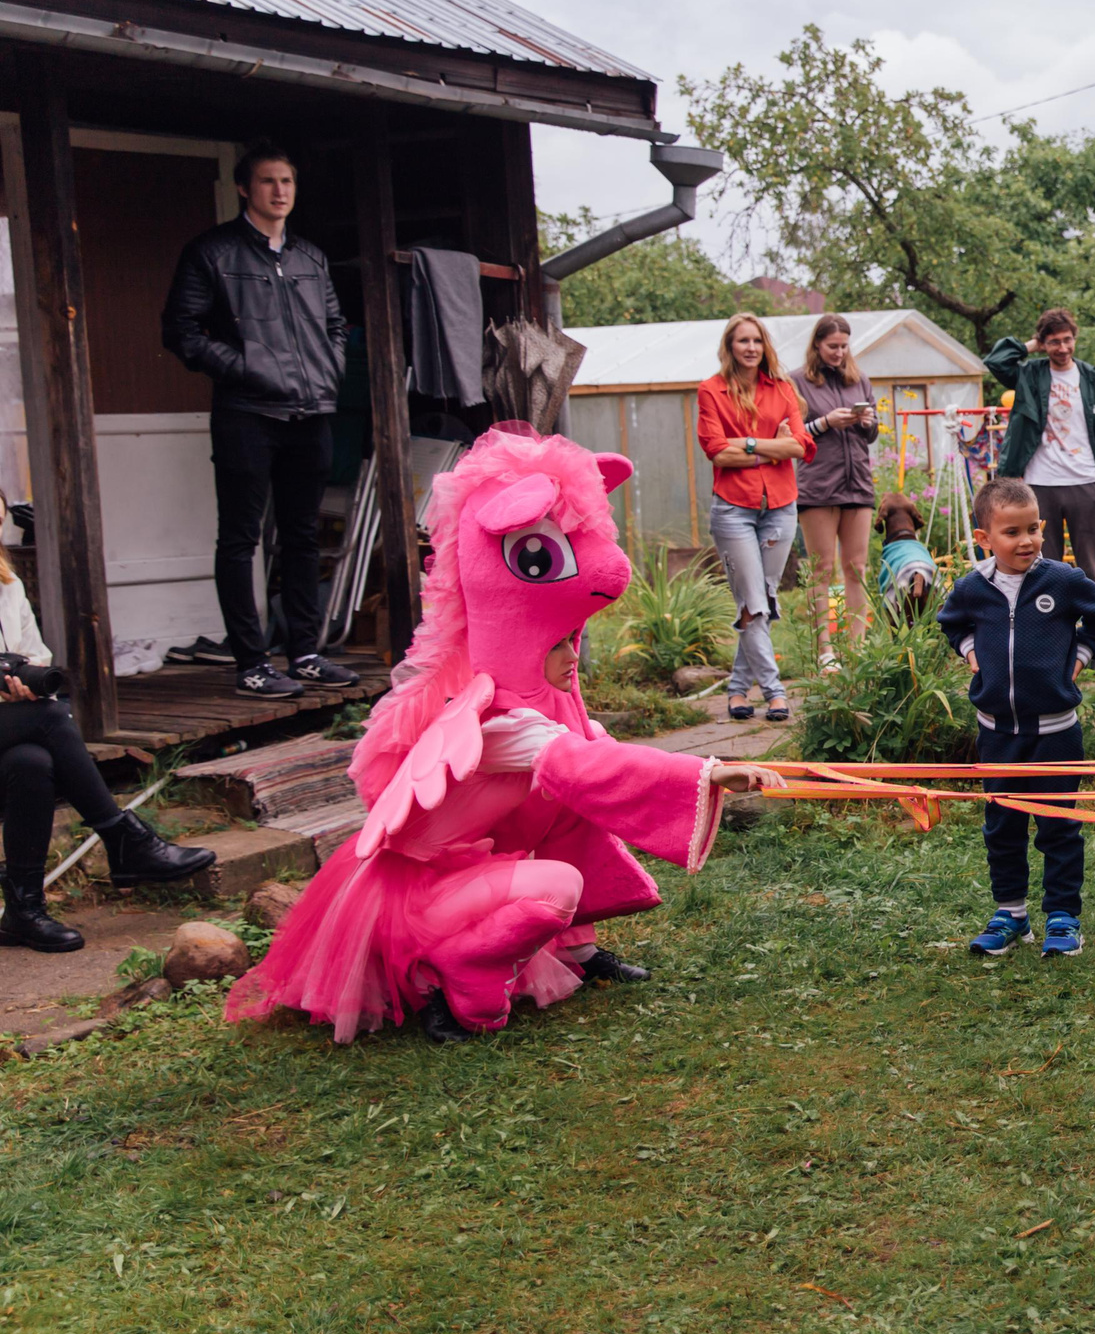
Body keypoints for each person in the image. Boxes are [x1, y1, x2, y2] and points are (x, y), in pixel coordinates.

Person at [227, 430, 782, 1043]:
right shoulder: (502, 722)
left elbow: (600, 758)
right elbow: (580, 764)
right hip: (419, 902)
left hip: (468, 873)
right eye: (559, 644)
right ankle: (454, 975)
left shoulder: (549, 707)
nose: (573, 656)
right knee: (559, 876)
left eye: (575, 642)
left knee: (570, 811)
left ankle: (572, 949)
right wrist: (710, 773)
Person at [160, 140, 360, 701]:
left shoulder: (310, 258)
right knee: (240, 539)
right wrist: (247, 369)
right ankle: (251, 662)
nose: (280, 192)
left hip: (310, 412)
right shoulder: (212, 251)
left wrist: (329, 370)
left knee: (301, 537)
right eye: (269, 182)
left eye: (287, 182)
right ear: (246, 188)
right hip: (247, 413)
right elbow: (182, 331)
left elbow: (336, 324)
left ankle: (306, 654)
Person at [937, 477, 1095, 961]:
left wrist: (1079, 657)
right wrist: (973, 653)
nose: (1026, 541)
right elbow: (951, 623)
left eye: (1032, 529)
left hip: (1057, 733)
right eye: (1012, 532)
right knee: (1004, 825)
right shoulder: (973, 588)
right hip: (998, 734)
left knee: (1059, 825)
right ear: (985, 539)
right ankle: (1011, 915)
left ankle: (1063, 917)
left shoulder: (1062, 580)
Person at [0, 549, 213, 951]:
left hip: (10, 730)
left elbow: (36, 656)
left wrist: (20, 681)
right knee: (50, 717)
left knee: (31, 762)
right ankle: (123, 839)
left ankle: (22, 912)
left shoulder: (8, 584)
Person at [694, 313, 814, 722]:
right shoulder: (712, 391)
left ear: (765, 346)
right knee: (754, 603)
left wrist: (744, 446)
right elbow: (716, 450)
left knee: (761, 598)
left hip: (780, 507)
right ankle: (775, 693)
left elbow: (799, 446)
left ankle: (736, 690)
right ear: (729, 347)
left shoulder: (782, 389)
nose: (750, 348)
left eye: (756, 341)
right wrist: (768, 446)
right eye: (742, 341)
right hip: (733, 509)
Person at [983, 309, 1095, 586]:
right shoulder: (1030, 374)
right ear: (1043, 344)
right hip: (1040, 483)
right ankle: (1051, 625)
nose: (1062, 348)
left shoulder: (1091, 377)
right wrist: (1031, 345)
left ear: (1075, 339)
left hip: (1086, 481)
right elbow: (996, 361)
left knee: (1091, 566)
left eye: (1067, 340)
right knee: (1042, 566)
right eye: (1053, 342)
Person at [792, 315, 881, 666]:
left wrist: (869, 422)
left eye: (844, 346)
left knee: (856, 566)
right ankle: (825, 650)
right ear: (817, 345)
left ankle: (856, 648)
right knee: (821, 568)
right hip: (818, 484)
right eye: (832, 346)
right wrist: (826, 422)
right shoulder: (798, 382)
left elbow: (872, 436)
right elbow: (793, 433)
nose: (839, 352)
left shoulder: (859, 380)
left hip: (857, 481)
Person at [873, 493, 940, 625]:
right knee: (933, 628)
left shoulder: (891, 556)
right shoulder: (922, 551)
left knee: (901, 632)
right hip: (927, 574)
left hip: (904, 576)